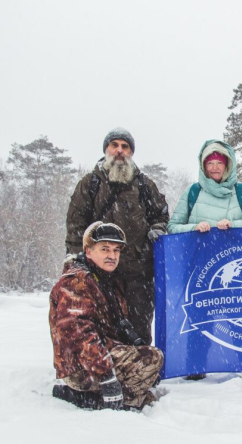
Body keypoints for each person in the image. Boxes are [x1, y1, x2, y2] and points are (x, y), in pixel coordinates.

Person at [168, 139, 242, 388]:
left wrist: (234, 224)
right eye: (209, 163)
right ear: (203, 166)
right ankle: (195, 366)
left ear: (228, 166)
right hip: (199, 268)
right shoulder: (193, 192)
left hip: (237, 269)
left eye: (219, 163)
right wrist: (195, 228)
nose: (214, 167)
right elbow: (172, 227)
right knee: (200, 318)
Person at [66, 128, 169, 344]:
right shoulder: (90, 184)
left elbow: (161, 215)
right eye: (115, 145)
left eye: (125, 146)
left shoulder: (145, 185)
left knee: (138, 327)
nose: (120, 150)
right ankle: (101, 367)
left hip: (137, 270)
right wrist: (77, 261)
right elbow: (76, 226)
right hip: (99, 272)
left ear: (131, 152)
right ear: (106, 150)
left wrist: (157, 230)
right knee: (98, 323)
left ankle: (139, 368)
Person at [50, 222, 165, 411]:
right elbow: (80, 336)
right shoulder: (76, 282)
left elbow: (115, 328)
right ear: (88, 251)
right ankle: (93, 401)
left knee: (149, 391)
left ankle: (103, 397)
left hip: (97, 357)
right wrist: (107, 377)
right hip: (79, 366)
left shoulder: (105, 280)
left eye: (116, 250)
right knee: (153, 359)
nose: (112, 256)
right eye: (105, 249)